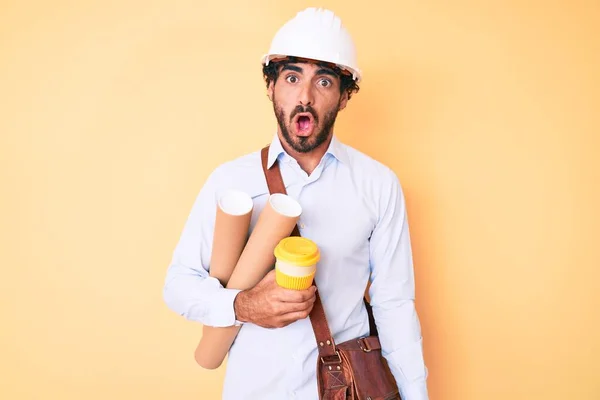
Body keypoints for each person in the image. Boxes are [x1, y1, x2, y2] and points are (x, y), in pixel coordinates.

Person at [163, 7, 429, 400]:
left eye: (323, 81)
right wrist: (244, 306)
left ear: (344, 96)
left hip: (348, 390)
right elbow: (178, 286)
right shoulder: (230, 181)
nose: (305, 97)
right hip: (254, 390)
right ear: (270, 86)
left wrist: (416, 395)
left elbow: (394, 303)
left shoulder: (378, 184)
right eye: (291, 77)